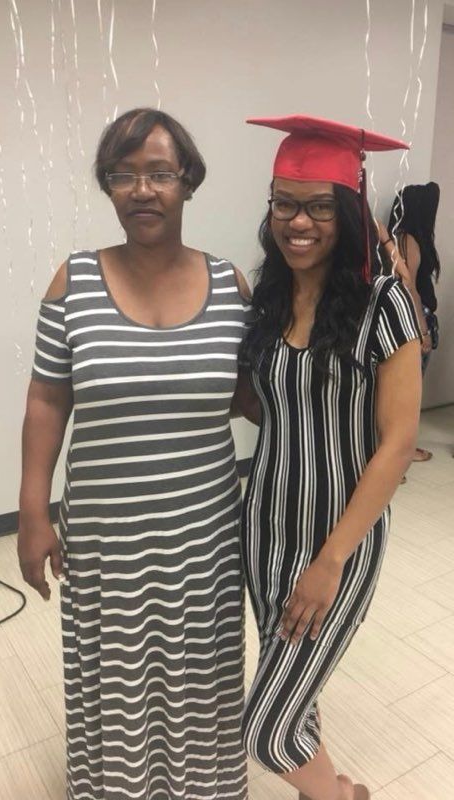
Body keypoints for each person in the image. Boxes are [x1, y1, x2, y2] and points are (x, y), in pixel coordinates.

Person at [18, 108, 251, 800]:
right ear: (108, 186)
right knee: (114, 681)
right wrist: (32, 512)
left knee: (202, 678)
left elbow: (255, 397)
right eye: (122, 175)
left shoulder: (232, 289)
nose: (142, 190)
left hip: (204, 538)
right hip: (106, 539)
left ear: (189, 182)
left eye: (160, 174)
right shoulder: (73, 282)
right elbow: (46, 401)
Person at [238, 115, 422, 800]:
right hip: (263, 528)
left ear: (346, 212)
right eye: (284, 203)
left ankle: (340, 796)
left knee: (266, 729)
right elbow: (263, 406)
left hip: (338, 542)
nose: (298, 222)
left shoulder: (384, 304)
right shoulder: (269, 297)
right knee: (294, 688)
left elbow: (397, 444)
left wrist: (329, 562)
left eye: (319, 206)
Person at [387, 182, 441, 460]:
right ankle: (400, 454)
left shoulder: (396, 238)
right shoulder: (407, 240)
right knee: (408, 393)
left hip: (404, 321)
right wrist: (423, 330)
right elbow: (409, 288)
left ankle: (399, 451)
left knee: (401, 392)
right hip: (413, 323)